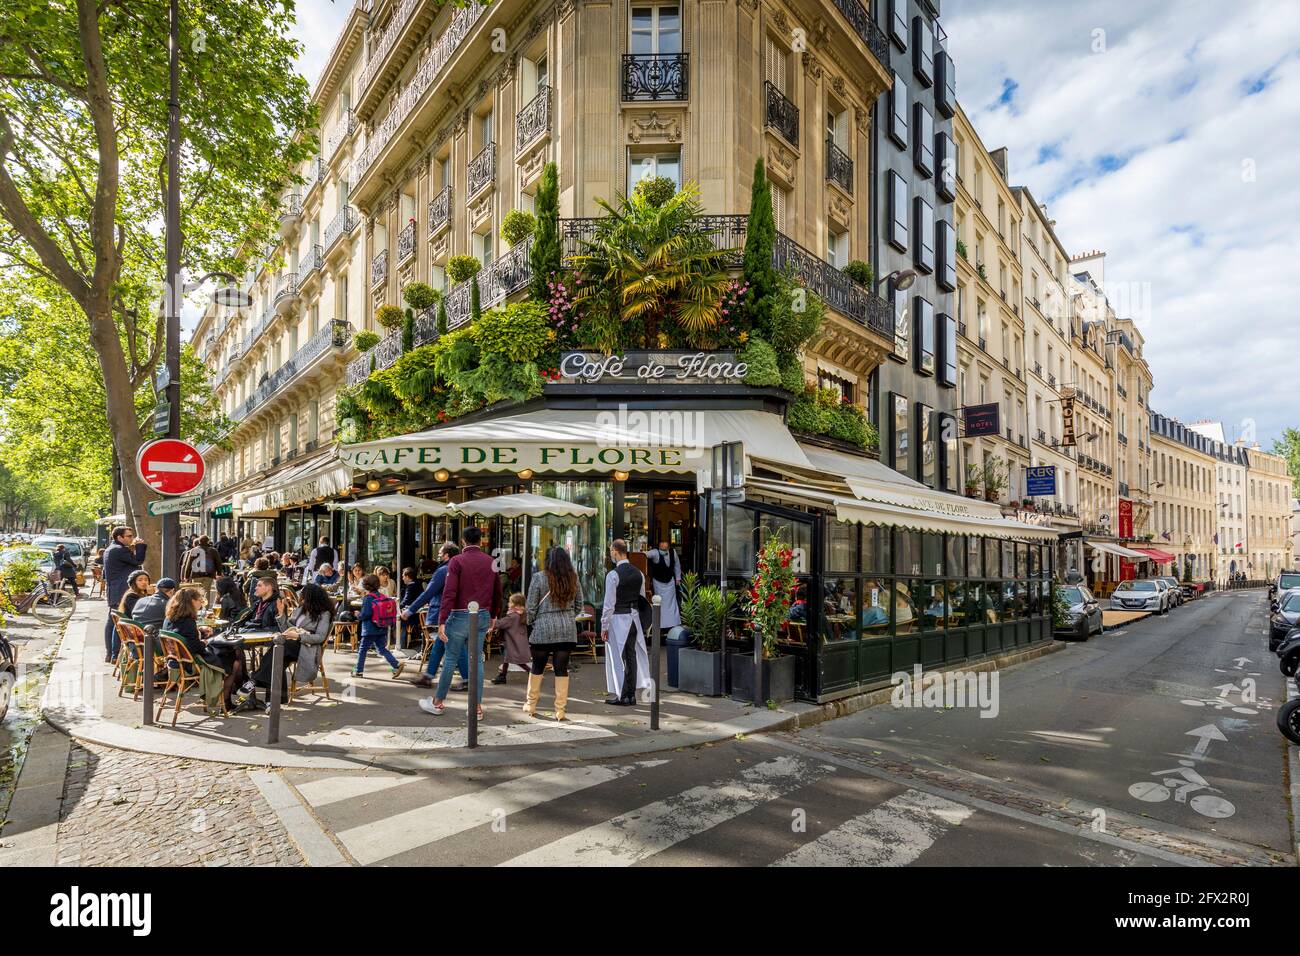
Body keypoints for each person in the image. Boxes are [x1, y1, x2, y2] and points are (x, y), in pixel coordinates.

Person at [421, 527, 501, 717]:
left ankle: (438, 702)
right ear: (481, 541)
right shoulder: (491, 562)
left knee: (450, 658)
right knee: (477, 661)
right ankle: (476, 707)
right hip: (481, 614)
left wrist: (442, 620)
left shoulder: (457, 561)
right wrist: (494, 615)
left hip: (458, 615)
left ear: (463, 541)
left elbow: (449, 593)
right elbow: (497, 591)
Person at [234, 583, 334, 710]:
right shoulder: (300, 609)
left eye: (303, 596)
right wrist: (281, 615)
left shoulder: (324, 614)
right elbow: (286, 629)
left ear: (311, 598)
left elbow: (320, 637)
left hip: (307, 648)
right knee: (277, 659)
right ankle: (272, 702)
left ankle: (254, 680)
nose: (300, 598)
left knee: (280, 647)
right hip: (290, 645)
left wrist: (298, 636)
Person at [523, 547, 582, 720]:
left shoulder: (539, 578)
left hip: (543, 628)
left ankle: (531, 705)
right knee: (561, 669)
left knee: (537, 667)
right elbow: (579, 605)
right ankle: (560, 710)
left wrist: (532, 622)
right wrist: (568, 616)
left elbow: (531, 607)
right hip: (567, 630)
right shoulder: (573, 578)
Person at [406, 544, 469, 692]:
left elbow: (428, 593)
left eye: (440, 553)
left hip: (446, 613)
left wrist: (410, 610)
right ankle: (428, 676)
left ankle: (467, 680)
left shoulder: (443, 571)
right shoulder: (463, 569)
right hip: (462, 612)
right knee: (440, 645)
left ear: (447, 555)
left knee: (456, 646)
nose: (438, 555)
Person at [600, 538, 651, 706]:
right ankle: (631, 695)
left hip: (618, 619)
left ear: (615, 551)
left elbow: (609, 604)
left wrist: (604, 625)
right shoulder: (639, 574)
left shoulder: (613, 575)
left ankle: (623, 695)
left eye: (611, 552)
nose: (610, 555)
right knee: (631, 656)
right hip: (634, 618)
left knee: (618, 658)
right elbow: (642, 598)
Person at [102, 526, 147, 662]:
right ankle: (114, 655)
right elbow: (138, 560)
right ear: (119, 537)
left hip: (115, 591)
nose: (132, 539)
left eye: (132, 536)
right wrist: (141, 546)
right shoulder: (118, 550)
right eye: (128, 536)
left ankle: (110, 654)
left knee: (112, 622)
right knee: (120, 623)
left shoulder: (112, 549)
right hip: (121, 592)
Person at [353, 574, 402, 678]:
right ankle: (396, 665)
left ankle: (358, 671)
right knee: (382, 649)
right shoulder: (382, 596)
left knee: (362, 649)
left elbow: (366, 614)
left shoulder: (368, 598)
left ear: (366, 586)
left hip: (369, 629)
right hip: (382, 627)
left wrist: (358, 615)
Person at [490, 593, 530, 685]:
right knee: (507, 658)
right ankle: (502, 675)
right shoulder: (521, 614)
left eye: (510, 602)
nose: (508, 603)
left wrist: (492, 620)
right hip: (517, 642)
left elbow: (499, 624)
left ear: (515, 605)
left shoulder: (512, 616)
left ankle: (531, 672)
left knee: (516, 660)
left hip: (513, 642)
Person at [645, 538, 683, 629]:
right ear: (659, 547)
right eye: (661, 549)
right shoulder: (654, 552)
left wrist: (678, 579)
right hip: (658, 582)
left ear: (668, 547)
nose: (663, 550)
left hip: (670, 582)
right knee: (660, 603)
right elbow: (643, 555)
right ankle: (660, 625)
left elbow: (677, 565)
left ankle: (673, 623)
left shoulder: (673, 552)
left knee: (671, 603)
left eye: (665, 549)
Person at [398, 567, 423, 645]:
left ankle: (402, 644)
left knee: (398, 619)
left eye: (403, 576)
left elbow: (406, 600)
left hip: (412, 615)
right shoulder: (418, 584)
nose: (402, 578)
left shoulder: (410, 587)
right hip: (419, 615)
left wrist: (397, 607)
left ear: (408, 577)